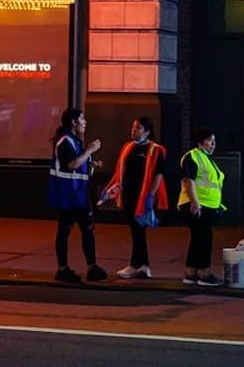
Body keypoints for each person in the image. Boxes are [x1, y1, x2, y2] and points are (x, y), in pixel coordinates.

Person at [101, 116, 168, 279]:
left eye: (138, 128)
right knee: (136, 230)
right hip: (128, 195)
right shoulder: (128, 147)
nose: (134, 131)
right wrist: (112, 188)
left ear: (147, 132)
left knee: (138, 230)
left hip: (143, 196)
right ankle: (142, 265)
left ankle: (137, 264)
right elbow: (120, 172)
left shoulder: (156, 149)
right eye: (133, 127)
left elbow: (158, 175)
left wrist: (150, 196)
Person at [48, 108, 108, 283]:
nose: (85, 122)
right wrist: (89, 150)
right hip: (68, 195)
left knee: (87, 229)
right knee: (65, 230)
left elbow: (79, 164)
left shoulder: (74, 141)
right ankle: (63, 269)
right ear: (74, 122)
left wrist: (92, 165)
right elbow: (72, 164)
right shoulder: (64, 141)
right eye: (83, 119)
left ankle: (92, 267)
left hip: (79, 193)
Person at [178, 128, 225, 286]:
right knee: (204, 237)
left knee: (199, 237)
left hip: (204, 205)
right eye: (210, 141)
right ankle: (204, 272)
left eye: (214, 141)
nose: (213, 144)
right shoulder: (193, 156)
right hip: (197, 204)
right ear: (200, 142)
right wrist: (195, 202)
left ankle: (191, 272)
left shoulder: (206, 158)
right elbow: (188, 180)